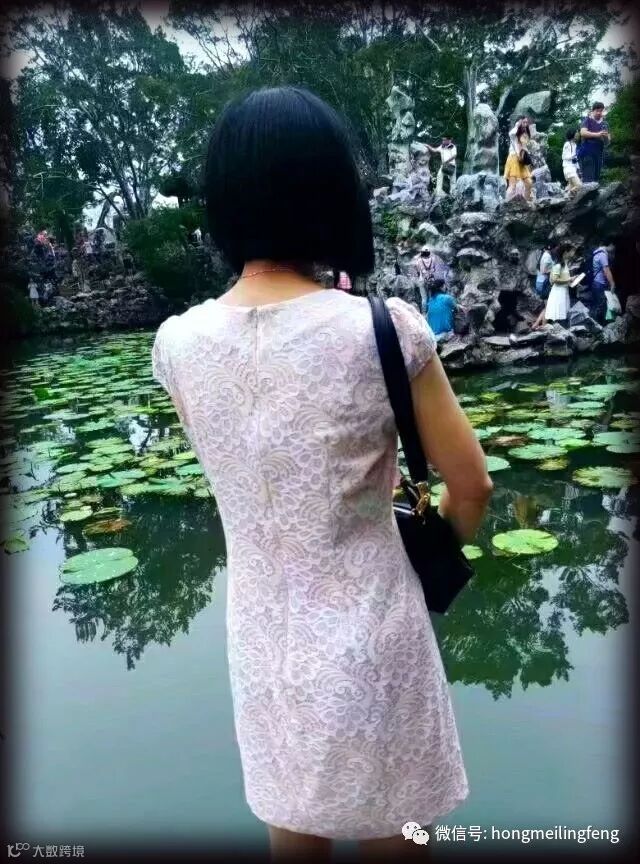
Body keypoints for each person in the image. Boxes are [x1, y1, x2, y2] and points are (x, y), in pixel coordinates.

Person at [151, 85, 492, 862]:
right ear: (333, 194)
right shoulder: (382, 329)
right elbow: (472, 485)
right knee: (398, 836)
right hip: (377, 628)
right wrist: (436, 548)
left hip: (263, 641)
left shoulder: (177, 344)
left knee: (292, 827)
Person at [533, 242, 574, 329]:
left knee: (547, 307)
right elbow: (544, 271)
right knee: (548, 308)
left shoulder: (549, 257)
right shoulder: (550, 258)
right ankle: (543, 326)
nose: (556, 250)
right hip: (546, 284)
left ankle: (537, 325)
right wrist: (555, 272)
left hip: (544, 282)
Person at [578, 101, 610, 183]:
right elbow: (583, 133)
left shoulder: (605, 123)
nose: (599, 113)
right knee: (588, 179)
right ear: (593, 111)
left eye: (601, 111)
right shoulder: (587, 120)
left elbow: (607, 143)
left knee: (596, 178)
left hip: (599, 154)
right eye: (597, 111)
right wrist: (598, 134)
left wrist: (606, 137)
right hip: (587, 153)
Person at [504, 116, 534, 202]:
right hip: (514, 159)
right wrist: (517, 125)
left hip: (521, 160)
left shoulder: (525, 134)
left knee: (529, 183)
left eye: (526, 122)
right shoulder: (514, 133)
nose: (525, 124)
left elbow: (524, 147)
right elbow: (511, 134)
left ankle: (527, 203)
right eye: (523, 122)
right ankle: (506, 204)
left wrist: (527, 156)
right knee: (512, 185)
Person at [590, 244, 617, 325]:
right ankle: (599, 325)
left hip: (596, 283)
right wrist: (612, 283)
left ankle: (595, 324)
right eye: (613, 245)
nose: (614, 248)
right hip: (599, 283)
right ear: (609, 245)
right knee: (601, 306)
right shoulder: (602, 255)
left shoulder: (598, 252)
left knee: (598, 305)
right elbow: (606, 271)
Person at [562, 128, 582, 195]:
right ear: (572, 134)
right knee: (579, 185)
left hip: (573, 169)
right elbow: (564, 157)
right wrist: (575, 155)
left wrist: (578, 169)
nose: (578, 134)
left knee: (571, 186)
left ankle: (565, 195)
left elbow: (575, 160)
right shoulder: (567, 144)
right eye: (576, 132)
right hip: (568, 169)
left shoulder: (575, 145)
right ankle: (568, 195)